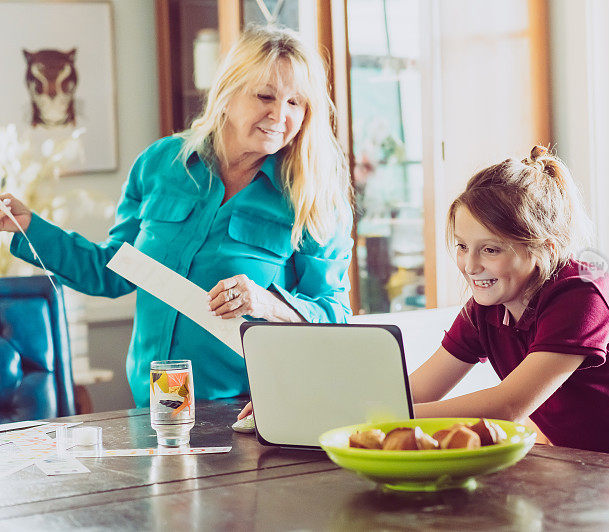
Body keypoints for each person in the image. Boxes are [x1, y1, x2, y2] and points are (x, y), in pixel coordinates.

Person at [0, 26, 354, 408]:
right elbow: (112, 269)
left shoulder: (315, 196)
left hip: (250, 414)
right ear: (228, 93)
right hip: (153, 409)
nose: (279, 115)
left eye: (295, 103)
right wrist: (28, 226)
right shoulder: (160, 164)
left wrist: (266, 303)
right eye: (265, 96)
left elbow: (335, 316)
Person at [407, 146, 609, 470]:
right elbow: (419, 390)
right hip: (605, 461)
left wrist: (394, 416)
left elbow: (508, 405)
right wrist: (369, 407)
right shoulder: (485, 309)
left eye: (490, 250)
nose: (469, 265)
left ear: (545, 248)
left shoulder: (582, 295)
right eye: (463, 246)